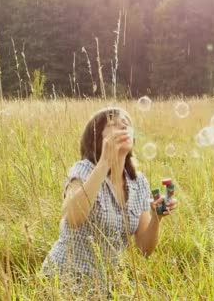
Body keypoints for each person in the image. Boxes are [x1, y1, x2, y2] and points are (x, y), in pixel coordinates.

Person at [41, 107, 177, 293]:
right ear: (97, 138)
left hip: (103, 287)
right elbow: (72, 218)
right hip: (64, 280)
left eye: (126, 125)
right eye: (113, 125)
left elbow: (144, 249)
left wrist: (156, 218)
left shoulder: (138, 182)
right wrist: (105, 162)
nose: (123, 128)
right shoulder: (84, 170)